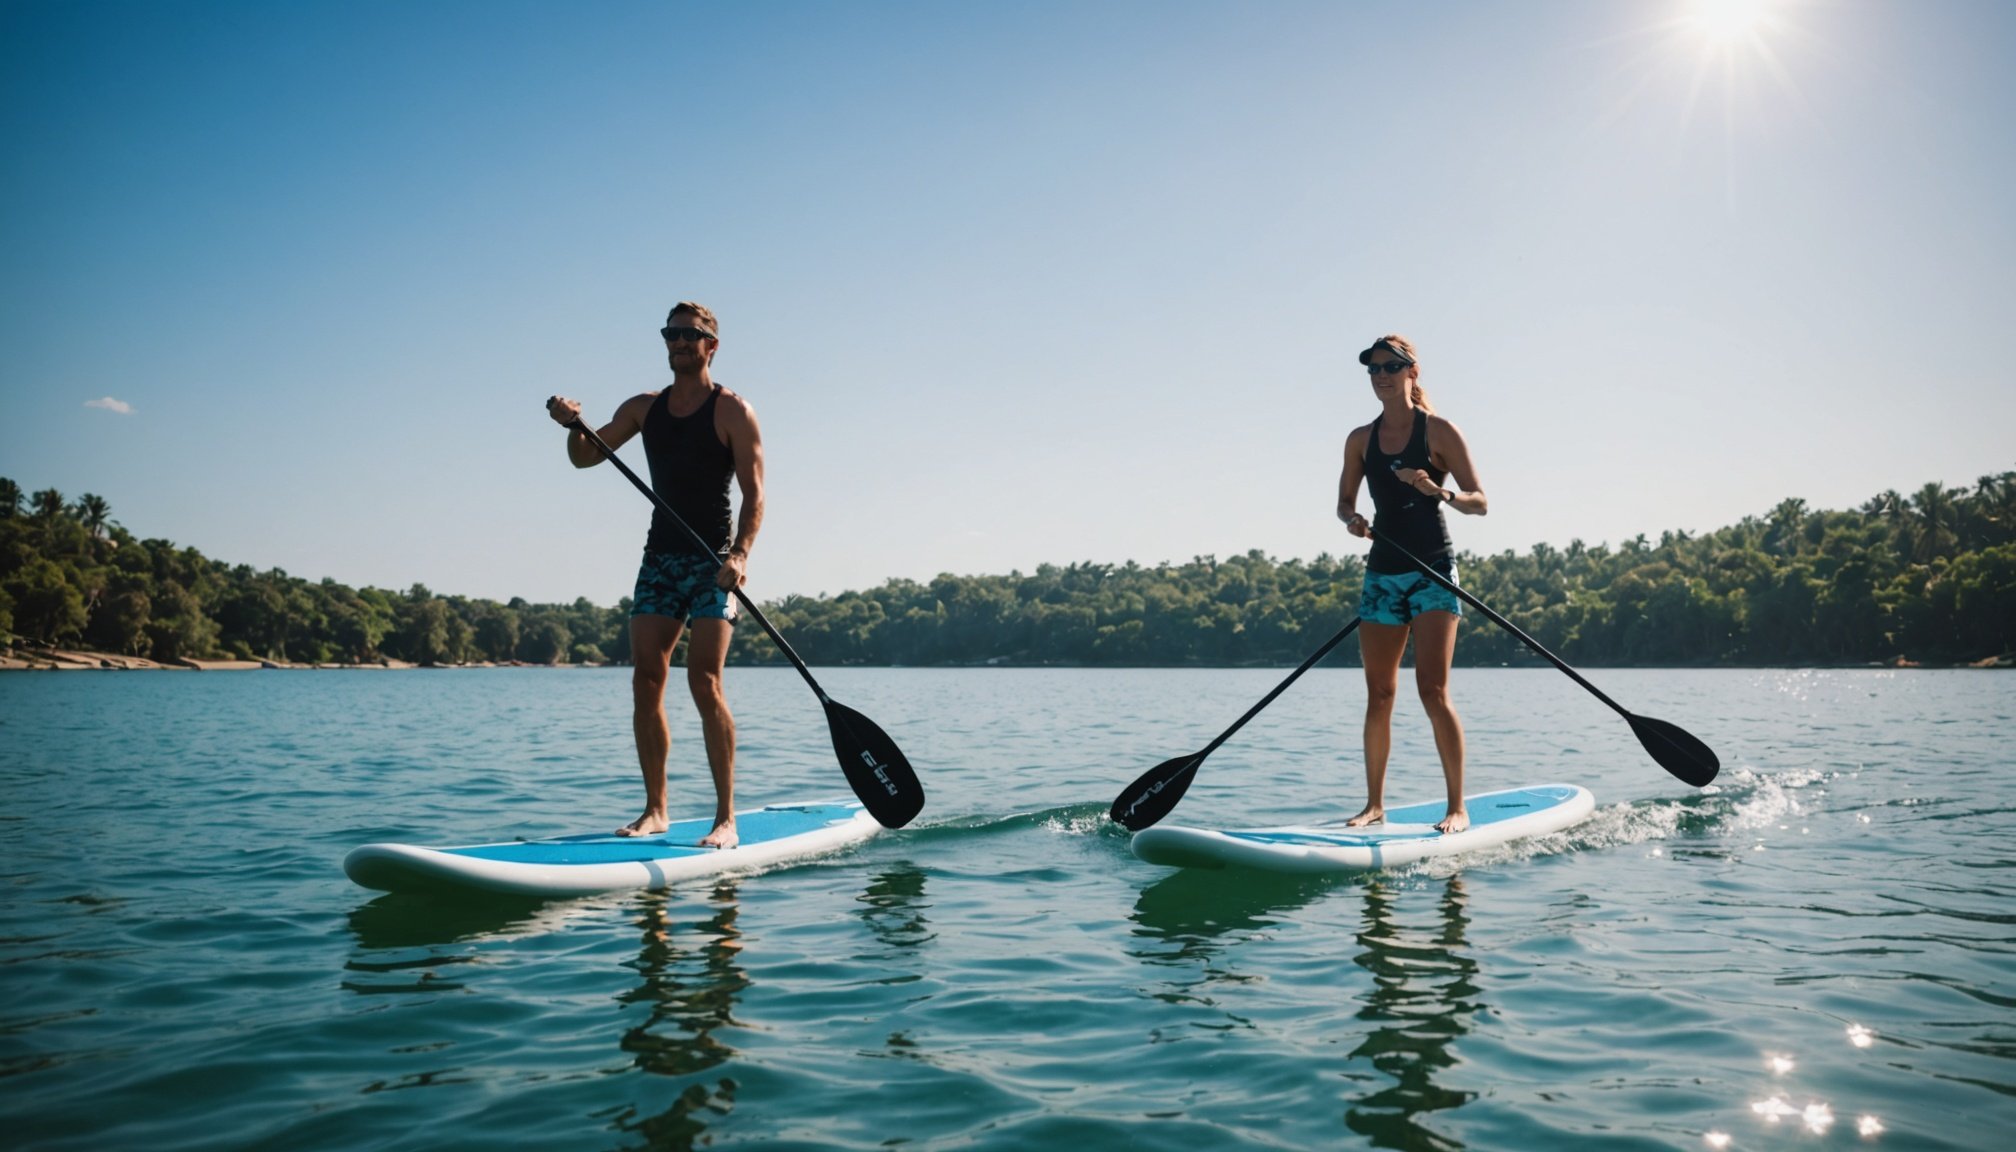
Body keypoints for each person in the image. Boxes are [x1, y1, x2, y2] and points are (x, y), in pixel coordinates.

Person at [546, 301, 764, 847]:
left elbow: (755, 494)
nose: (679, 342)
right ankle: (656, 810)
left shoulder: (733, 411)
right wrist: (573, 426)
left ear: (712, 345)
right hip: (659, 559)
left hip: (714, 563)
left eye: (691, 334)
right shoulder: (644, 408)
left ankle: (726, 819)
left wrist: (740, 555)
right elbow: (584, 458)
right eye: (672, 333)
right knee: (646, 678)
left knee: (704, 680)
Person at [1335, 334, 1487, 834]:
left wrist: (1436, 490)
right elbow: (1344, 503)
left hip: (1433, 572)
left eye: (1390, 367)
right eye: (1373, 369)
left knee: (1432, 690)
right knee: (1379, 692)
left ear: (1411, 372)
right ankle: (1374, 805)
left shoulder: (1438, 431)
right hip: (1382, 572)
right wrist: (1353, 520)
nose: (1381, 375)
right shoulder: (1360, 439)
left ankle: (1457, 807)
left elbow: (1480, 501)